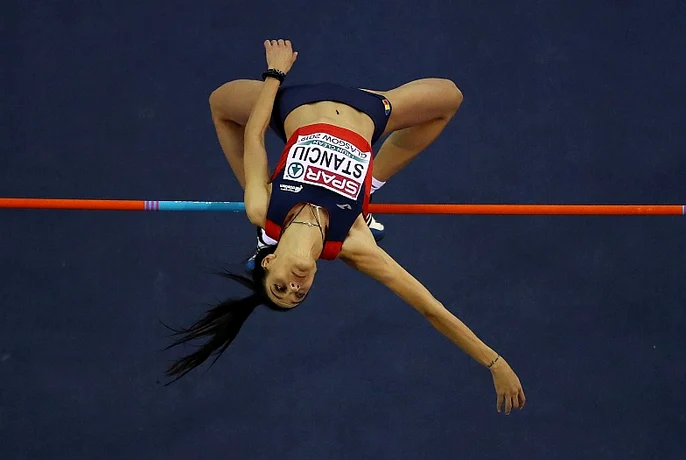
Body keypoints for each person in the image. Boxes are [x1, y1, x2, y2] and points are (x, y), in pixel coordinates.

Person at [165, 39, 526, 415]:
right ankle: (369, 188)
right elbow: (430, 308)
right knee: (449, 97)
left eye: (280, 287)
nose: (296, 285)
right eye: (299, 294)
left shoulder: (262, 207)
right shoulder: (353, 241)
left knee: (220, 104)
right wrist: (494, 362)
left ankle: (353, 193)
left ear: (269, 261)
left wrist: (274, 74)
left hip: (292, 104)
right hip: (369, 110)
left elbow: (252, 137)